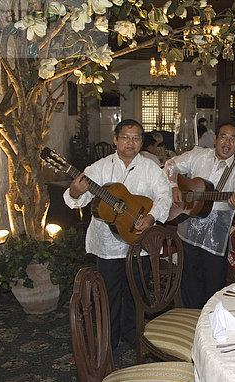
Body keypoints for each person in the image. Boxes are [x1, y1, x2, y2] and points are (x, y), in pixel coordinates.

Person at [63, 119, 172, 349]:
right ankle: (107, 342)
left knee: (137, 292)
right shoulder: (98, 168)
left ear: (141, 142)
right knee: (108, 295)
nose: (130, 143)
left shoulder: (151, 167)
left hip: (138, 241)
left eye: (135, 138)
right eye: (125, 137)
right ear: (115, 139)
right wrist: (74, 191)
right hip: (107, 245)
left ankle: (133, 336)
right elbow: (77, 200)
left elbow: (165, 196)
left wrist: (151, 217)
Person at [164, 122, 235, 309]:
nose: (227, 142)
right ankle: (189, 323)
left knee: (213, 283)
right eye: (223, 137)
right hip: (188, 228)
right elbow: (170, 165)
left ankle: (210, 324)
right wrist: (173, 187)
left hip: (215, 236)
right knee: (188, 280)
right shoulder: (198, 155)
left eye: (232, 139)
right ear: (215, 139)